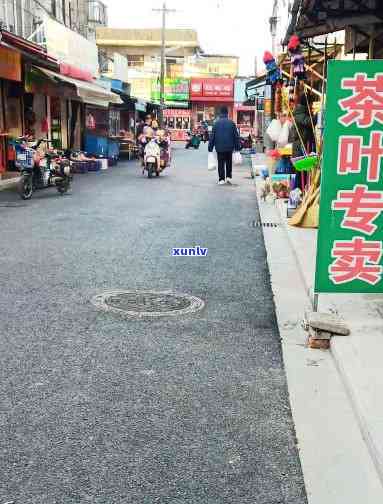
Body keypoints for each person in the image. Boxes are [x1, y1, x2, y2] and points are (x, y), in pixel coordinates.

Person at [208, 106, 241, 185]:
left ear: (220, 113)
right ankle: (228, 177)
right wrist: (237, 148)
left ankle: (221, 179)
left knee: (221, 163)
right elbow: (236, 136)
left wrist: (210, 148)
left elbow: (212, 137)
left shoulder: (216, 124)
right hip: (229, 147)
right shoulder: (232, 123)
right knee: (229, 162)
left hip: (219, 148)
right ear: (227, 113)